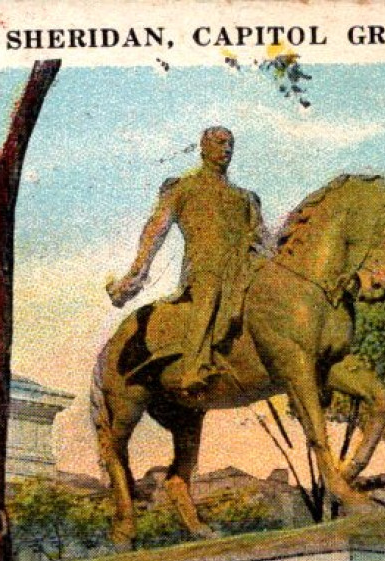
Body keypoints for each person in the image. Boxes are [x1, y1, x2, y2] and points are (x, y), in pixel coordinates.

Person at [107, 126, 266, 391]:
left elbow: (263, 239)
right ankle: (194, 367)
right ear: (203, 148)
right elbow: (156, 229)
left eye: (230, 144)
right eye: (220, 143)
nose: (227, 149)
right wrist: (138, 271)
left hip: (246, 269)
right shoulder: (184, 187)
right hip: (206, 268)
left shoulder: (245, 197)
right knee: (209, 294)